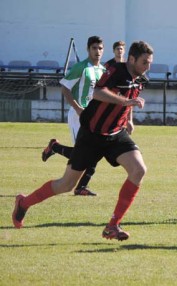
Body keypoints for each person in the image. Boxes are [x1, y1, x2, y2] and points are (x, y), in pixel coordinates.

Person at [12, 41, 154, 241]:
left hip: (115, 134)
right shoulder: (115, 70)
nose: (148, 67)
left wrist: (128, 118)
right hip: (92, 134)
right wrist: (125, 101)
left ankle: (112, 226)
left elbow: (130, 99)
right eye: (144, 63)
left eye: (149, 63)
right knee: (66, 185)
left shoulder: (140, 79)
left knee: (139, 170)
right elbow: (97, 92)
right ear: (131, 59)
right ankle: (24, 202)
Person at [41, 36, 106, 196]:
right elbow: (65, 88)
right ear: (88, 49)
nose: (97, 51)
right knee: (84, 154)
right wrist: (77, 109)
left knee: (92, 152)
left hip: (95, 117)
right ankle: (80, 187)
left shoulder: (103, 70)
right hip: (80, 115)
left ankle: (55, 148)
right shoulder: (81, 67)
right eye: (94, 48)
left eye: (100, 48)